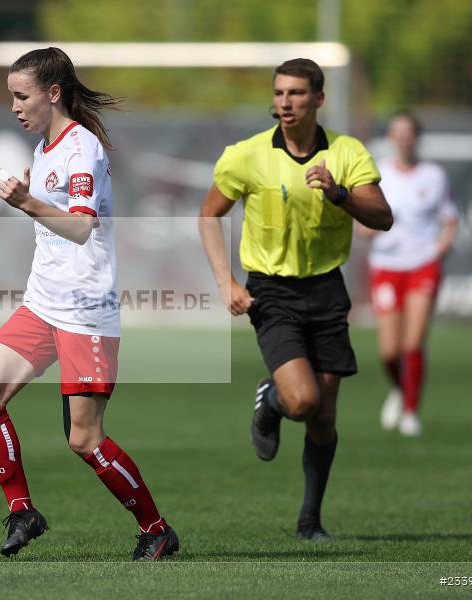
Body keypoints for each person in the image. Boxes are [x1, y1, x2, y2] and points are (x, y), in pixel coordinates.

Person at [0, 47, 178, 561]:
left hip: (85, 312)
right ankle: (23, 511)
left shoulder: (82, 149)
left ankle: (156, 529)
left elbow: (82, 227)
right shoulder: (45, 148)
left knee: (84, 440)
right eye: (11, 97)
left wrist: (26, 201)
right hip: (42, 304)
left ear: (53, 93)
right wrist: (32, 194)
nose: (14, 107)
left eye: (22, 96)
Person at [198, 58, 393, 541]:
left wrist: (340, 194)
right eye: (280, 92)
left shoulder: (346, 152)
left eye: (297, 93)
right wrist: (226, 283)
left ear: (319, 99)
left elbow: (383, 217)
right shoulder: (247, 155)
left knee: (324, 418)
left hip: (326, 290)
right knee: (303, 401)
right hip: (271, 291)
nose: (286, 102)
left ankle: (310, 522)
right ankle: (271, 399)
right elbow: (208, 215)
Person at [361, 112, 458, 437]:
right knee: (389, 352)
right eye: (397, 132)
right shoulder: (377, 173)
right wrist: (369, 227)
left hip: (422, 265)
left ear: (417, 137)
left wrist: (440, 248)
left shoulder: (433, 176)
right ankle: (400, 389)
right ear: (390, 137)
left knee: (412, 342)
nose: (403, 138)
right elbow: (361, 223)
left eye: (409, 132)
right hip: (386, 266)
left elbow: (450, 219)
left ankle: (411, 412)